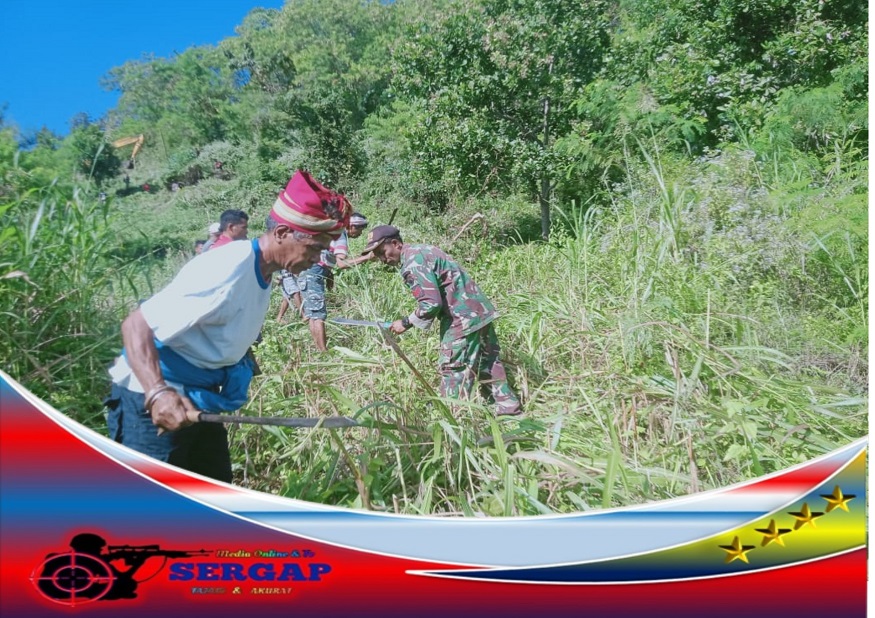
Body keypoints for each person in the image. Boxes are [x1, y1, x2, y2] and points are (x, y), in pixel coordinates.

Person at [104, 169, 350, 482]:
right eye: (314, 247)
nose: (317, 258)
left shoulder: (263, 270)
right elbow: (135, 326)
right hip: (152, 402)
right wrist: (157, 394)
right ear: (283, 233)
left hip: (198, 396)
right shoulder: (226, 267)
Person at [364, 225, 521, 417]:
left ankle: (453, 417)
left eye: (383, 252)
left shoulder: (412, 263)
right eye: (378, 255)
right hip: (478, 310)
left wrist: (405, 322)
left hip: (461, 317)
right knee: (486, 360)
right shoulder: (423, 250)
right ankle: (507, 407)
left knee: (453, 367)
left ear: (396, 244)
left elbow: (430, 304)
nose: (382, 259)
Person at [296, 212, 369, 351]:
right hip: (313, 274)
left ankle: (319, 348)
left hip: (308, 271)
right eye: (359, 229)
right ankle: (324, 351)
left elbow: (325, 255)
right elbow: (342, 264)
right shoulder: (341, 236)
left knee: (313, 314)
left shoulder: (332, 233)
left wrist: (328, 273)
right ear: (351, 226)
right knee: (318, 315)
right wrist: (367, 258)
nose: (360, 233)